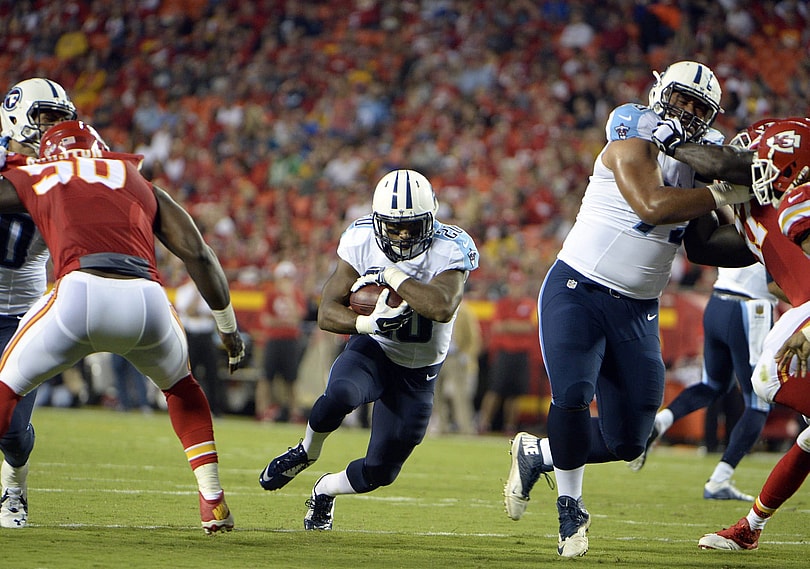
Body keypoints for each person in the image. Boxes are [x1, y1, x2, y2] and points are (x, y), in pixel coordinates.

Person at [500, 61, 755, 558]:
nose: (687, 111)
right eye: (681, 99)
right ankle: (570, 509)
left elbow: (703, 250)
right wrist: (724, 190)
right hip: (577, 288)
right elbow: (652, 206)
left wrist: (768, 242)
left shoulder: (699, 161)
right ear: (661, 93)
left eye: (699, 107)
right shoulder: (631, 135)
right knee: (573, 392)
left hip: (638, 310)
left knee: (629, 440)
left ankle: (538, 453)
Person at [0, 120, 246, 534]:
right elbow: (198, 254)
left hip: (79, 295)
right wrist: (229, 329)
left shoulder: (41, 171)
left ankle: (11, 487)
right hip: (146, 300)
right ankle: (213, 501)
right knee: (182, 389)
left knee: (6, 391)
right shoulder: (134, 177)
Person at [258, 169, 478, 530]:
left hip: (419, 373)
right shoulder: (360, 240)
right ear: (378, 222)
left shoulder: (450, 248)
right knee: (342, 392)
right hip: (374, 348)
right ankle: (306, 452)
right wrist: (364, 324)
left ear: (431, 220)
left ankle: (325, 489)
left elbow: (440, 306)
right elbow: (326, 311)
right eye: (395, 226)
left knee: (381, 471)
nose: (404, 235)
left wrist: (391, 275)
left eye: (412, 226)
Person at [658, 117, 810, 551]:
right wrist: (709, 193)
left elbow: (727, 161)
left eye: (756, 154)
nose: (744, 160)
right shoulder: (757, 216)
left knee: (768, 377)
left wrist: (670, 142)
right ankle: (751, 528)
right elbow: (704, 247)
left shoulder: (799, 199)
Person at [0, 77, 77, 528]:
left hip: (24, 315)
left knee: (11, 430)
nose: (53, 128)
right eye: (44, 117)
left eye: (59, 118)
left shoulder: (68, 165)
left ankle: (15, 487)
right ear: (14, 115)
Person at [478, 272, 537, 435]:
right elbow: (497, 327)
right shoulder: (502, 304)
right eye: (514, 285)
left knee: (516, 393)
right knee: (495, 389)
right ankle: (484, 423)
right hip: (504, 353)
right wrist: (518, 326)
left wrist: (509, 325)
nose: (516, 288)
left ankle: (510, 426)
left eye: (519, 285)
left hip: (522, 354)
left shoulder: (529, 304)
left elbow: (531, 327)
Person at [255, 260, 307, 423]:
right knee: (266, 377)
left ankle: (294, 412)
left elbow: (298, 317)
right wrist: (285, 322)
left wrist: (289, 296)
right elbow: (266, 320)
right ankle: (262, 411)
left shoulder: (296, 294)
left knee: (291, 379)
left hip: (290, 340)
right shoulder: (271, 294)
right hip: (274, 340)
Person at [174, 276, 226, 417]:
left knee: (212, 373)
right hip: (191, 335)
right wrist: (196, 296)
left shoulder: (211, 290)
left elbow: (214, 314)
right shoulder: (183, 291)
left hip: (206, 335)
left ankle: (215, 408)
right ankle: (189, 408)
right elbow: (189, 311)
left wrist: (198, 312)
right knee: (190, 373)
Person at [431, 298, 481, 435]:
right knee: (436, 394)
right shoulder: (435, 306)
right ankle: (442, 426)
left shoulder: (464, 310)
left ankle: (465, 427)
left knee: (460, 395)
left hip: (455, 356)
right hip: (437, 355)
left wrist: (467, 355)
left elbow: (473, 337)